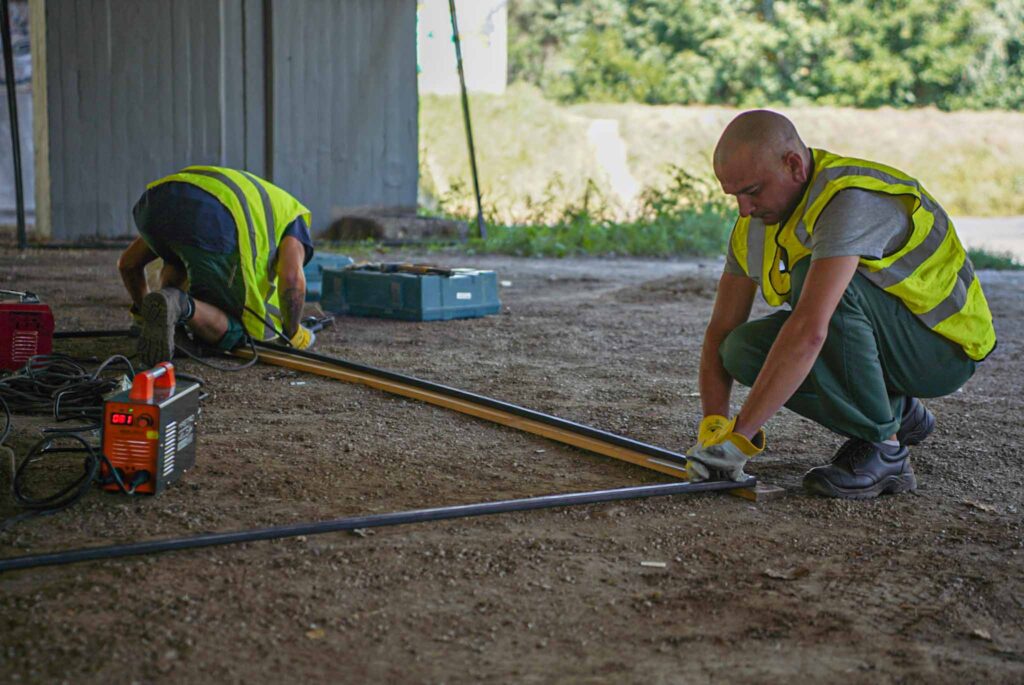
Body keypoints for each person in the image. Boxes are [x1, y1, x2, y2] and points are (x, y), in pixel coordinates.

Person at [685, 110, 996, 499]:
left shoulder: (847, 200)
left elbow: (810, 330)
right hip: (895, 344)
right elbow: (721, 330)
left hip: (942, 349)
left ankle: (885, 451)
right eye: (735, 196)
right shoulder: (756, 224)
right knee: (741, 350)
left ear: (794, 165)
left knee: (820, 287)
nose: (744, 209)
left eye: (753, 191)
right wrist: (714, 427)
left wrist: (739, 440)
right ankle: (897, 413)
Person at [118, 165, 318, 367]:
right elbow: (291, 277)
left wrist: (145, 314)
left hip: (154, 202)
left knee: (178, 256)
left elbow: (128, 264)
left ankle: (171, 325)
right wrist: (293, 333)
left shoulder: (259, 199)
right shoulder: (296, 219)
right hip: (218, 220)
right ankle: (178, 304)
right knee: (238, 328)